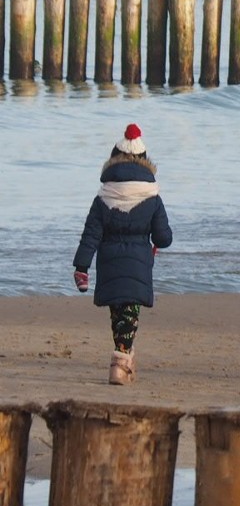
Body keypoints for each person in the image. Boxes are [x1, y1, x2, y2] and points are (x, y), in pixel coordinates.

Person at [72, 124, 173, 386]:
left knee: (119, 313)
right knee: (130, 312)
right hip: (139, 262)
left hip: (110, 262)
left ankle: (125, 359)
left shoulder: (103, 196)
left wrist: (81, 266)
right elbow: (164, 237)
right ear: (144, 160)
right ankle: (120, 362)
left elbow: (90, 235)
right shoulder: (152, 196)